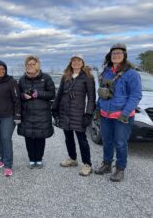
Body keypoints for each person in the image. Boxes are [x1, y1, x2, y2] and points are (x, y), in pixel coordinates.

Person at [94, 43, 142, 182]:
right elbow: (103, 92)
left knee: (120, 143)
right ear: (110, 56)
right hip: (105, 114)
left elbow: (136, 95)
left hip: (122, 116)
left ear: (124, 56)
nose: (116, 55)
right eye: (114, 53)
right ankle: (107, 164)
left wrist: (125, 113)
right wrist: (98, 108)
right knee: (107, 141)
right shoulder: (106, 71)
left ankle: (120, 168)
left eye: (119, 53)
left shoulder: (131, 74)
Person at [52, 55, 96, 176]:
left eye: (78, 61)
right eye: (74, 61)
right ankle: (72, 158)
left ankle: (87, 164)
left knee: (82, 140)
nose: (76, 63)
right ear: (71, 63)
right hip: (65, 112)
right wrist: (54, 108)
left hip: (79, 113)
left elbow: (91, 97)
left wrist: (88, 113)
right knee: (68, 137)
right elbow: (59, 93)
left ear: (82, 63)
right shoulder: (66, 77)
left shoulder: (88, 77)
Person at [17, 55, 55, 168]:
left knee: (40, 137)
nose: (30, 66)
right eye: (28, 64)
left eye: (32, 64)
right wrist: (23, 96)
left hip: (42, 114)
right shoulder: (22, 80)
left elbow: (52, 94)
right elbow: (17, 95)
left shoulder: (46, 78)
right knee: (28, 137)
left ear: (37, 65)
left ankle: (39, 159)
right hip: (27, 114)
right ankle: (31, 159)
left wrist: (39, 94)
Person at [0, 60, 21, 177]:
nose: (1, 71)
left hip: (8, 116)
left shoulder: (11, 82)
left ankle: (8, 165)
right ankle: (2, 159)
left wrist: (17, 115)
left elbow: (17, 99)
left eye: (3, 69)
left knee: (5, 138)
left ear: (6, 70)